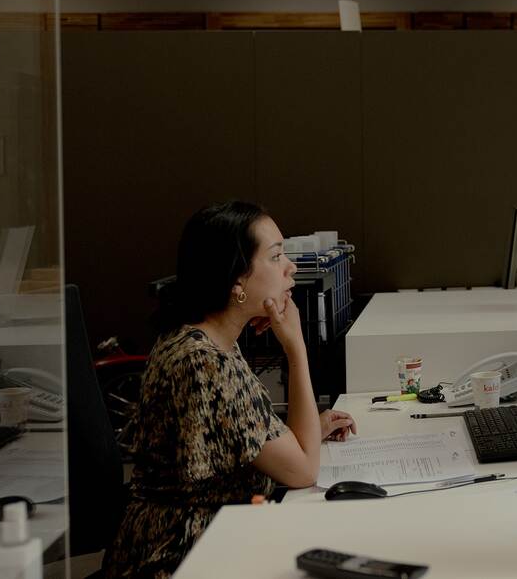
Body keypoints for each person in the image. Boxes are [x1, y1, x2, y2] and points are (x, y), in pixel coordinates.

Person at [103, 201, 358, 578]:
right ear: (236, 281)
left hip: (214, 535)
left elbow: (256, 440)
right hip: (181, 556)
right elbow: (303, 470)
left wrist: (310, 431)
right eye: (275, 257)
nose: (291, 267)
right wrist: (296, 349)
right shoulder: (203, 360)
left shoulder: (206, 338)